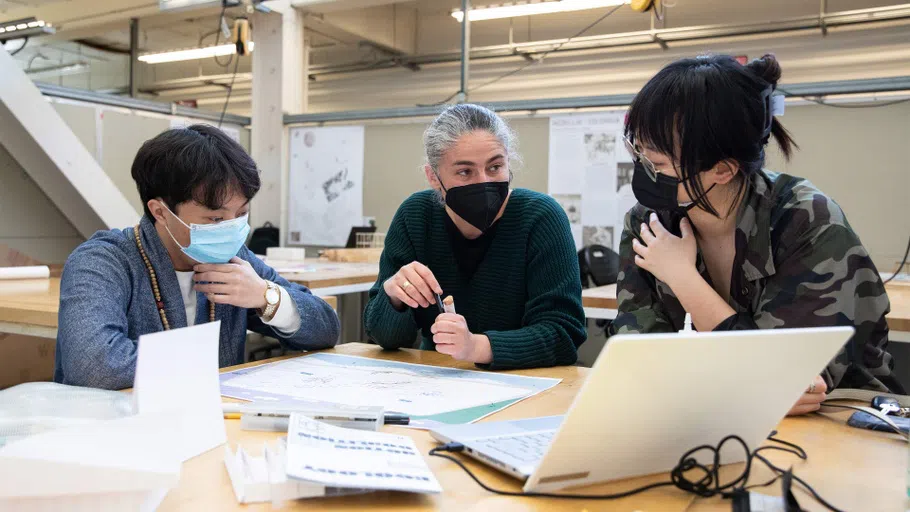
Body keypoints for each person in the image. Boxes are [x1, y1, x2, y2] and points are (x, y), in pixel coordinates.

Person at [613, 54, 904, 415]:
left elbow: (790, 377)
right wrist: (744, 383)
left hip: (849, 418)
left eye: (656, 163)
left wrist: (682, 277)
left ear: (722, 170)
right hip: (712, 414)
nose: (641, 168)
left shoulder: (805, 220)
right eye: (636, 150)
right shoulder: (649, 221)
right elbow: (639, 356)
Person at [55, 125, 339, 390]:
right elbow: (93, 366)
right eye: (215, 218)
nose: (230, 228)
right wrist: (203, 359)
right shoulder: (103, 261)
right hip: (120, 432)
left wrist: (266, 297)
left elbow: (326, 328)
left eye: (241, 214)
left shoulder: (233, 260)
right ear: (160, 212)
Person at [363, 104, 586, 369]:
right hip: (437, 379)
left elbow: (564, 335)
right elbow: (385, 339)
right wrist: (394, 297)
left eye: (495, 167)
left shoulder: (540, 218)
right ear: (433, 177)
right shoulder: (416, 216)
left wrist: (475, 347)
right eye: (465, 172)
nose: (484, 182)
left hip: (526, 382)